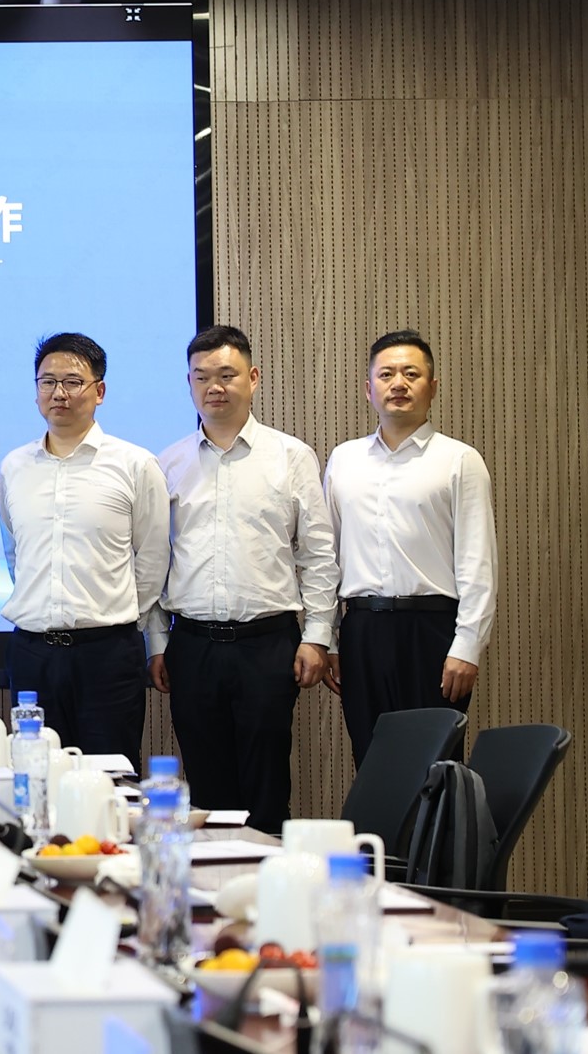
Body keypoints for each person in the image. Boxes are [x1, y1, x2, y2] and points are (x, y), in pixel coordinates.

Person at [146, 327, 337, 830]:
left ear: (252, 378)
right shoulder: (167, 463)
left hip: (268, 645)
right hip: (192, 646)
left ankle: (266, 877)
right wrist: (158, 642)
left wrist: (318, 636)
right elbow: (155, 561)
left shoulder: (291, 456)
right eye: (202, 377)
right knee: (207, 792)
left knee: (266, 786)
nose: (215, 387)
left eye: (227, 375)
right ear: (189, 383)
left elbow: (318, 553)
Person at [0, 332, 169, 767]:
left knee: (109, 776)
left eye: (73, 382)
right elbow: (17, 554)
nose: (59, 393)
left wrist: (117, 614)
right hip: (32, 653)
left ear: (99, 390)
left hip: (106, 654)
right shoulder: (14, 466)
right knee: (36, 775)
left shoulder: (135, 464)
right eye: (48, 382)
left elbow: (152, 559)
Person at [324, 331, 495, 764]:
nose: (398, 383)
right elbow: (328, 558)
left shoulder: (460, 460)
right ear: (369, 389)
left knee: (434, 769)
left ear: (432, 387)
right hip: (362, 630)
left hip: (432, 633)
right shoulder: (344, 460)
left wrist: (467, 647)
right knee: (373, 765)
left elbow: (477, 563)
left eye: (411, 374)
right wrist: (330, 640)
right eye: (386, 374)